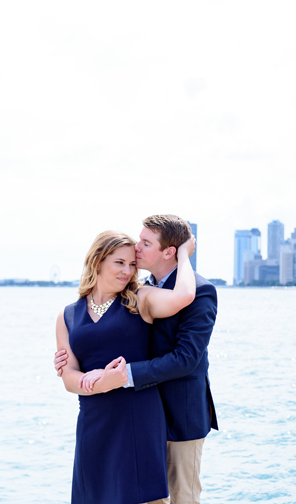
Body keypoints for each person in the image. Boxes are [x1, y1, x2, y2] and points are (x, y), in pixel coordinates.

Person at [56, 214, 218, 504]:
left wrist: (123, 375)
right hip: (121, 411)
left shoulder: (196, 290)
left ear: (169, 251)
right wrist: (77, 370)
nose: (137, 250)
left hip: (178, 413)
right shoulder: (134, 290)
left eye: (145, 243)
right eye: (122, 260)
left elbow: (186, 359)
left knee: (182, 497)